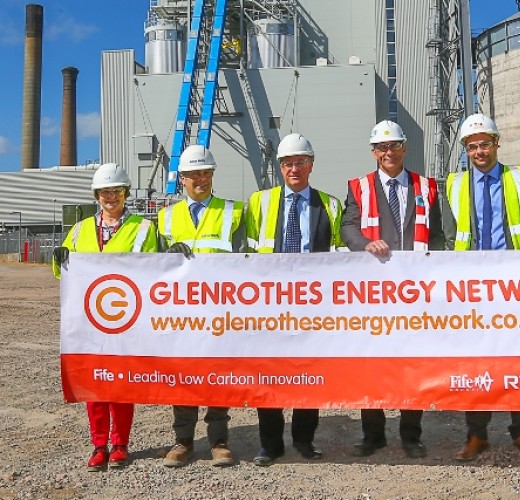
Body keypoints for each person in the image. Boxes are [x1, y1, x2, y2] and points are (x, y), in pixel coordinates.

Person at [444, 113, 520, 461]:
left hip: (514, 283)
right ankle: (477, 435)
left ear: (496, 143)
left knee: (519, 360)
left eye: (484, 144)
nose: (479, 151)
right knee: (476, 363)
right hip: (473, 286)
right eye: (472, 147)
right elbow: (451, 232)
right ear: (465, 151)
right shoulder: (454, 183)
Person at [341, 120, 445, 458]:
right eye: (382, 147)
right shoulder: (359, 186)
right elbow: (348, 227)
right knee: (371, 363)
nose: (389, 152)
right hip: (373, 294)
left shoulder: (426, 186)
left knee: (412, 364)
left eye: (395, 146)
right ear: (373, 152)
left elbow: (439, 235)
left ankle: (411, 435)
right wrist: (365, 244)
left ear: (404, 148)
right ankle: (373, 434)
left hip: (415, 294)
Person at [52, 163, 159, 471]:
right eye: (104, 192)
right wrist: (58, 259)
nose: (110, 197)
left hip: (127, 319)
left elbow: (154, 272)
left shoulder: (143, 229)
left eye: (116, 191)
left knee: (122, 383)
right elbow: (63, 272)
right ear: (96, 195)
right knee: (95, 383)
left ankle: (121, 443)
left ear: (125, 193)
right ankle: (99, 444)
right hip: (90, 320)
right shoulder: (81, 229)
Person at [246, 133, 343, 466]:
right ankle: (270, 445)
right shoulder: (259, 202)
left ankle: (304, 439)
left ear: (311, 165)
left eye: (301, 162)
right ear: (280, 167)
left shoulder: (330, 205)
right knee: (268, 375)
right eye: (288, 163)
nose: (294, 169)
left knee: (308, 374)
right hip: (269, 304)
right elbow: (246, 254)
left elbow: (340, 255)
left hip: (311, 305)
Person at [157, 144, 247, 468]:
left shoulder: (233, 212)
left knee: (218, 377)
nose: (200, 179)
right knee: (183, 378)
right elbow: (153, 269)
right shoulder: (165, 218)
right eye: (193, 174)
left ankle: (219, 440)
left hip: (220, 312)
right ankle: (183, 441)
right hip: (181, 314)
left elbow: (246, 262)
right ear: (182, 179)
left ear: (212, 175)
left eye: (205, 172)